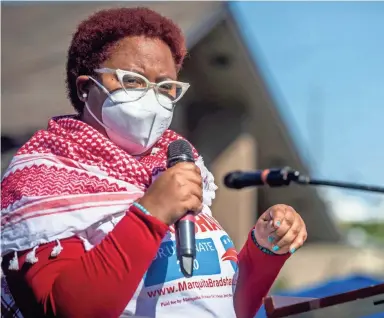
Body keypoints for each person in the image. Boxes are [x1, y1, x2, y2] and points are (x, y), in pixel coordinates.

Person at [0, 7, 307, 318]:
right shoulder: (42, 178)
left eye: (165, 88)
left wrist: (265, 249)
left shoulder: (176, 169)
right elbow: (67, 311)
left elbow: (222, 304)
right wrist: (151, 212)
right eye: (133, 81)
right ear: (85, 87)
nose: (152, 98)